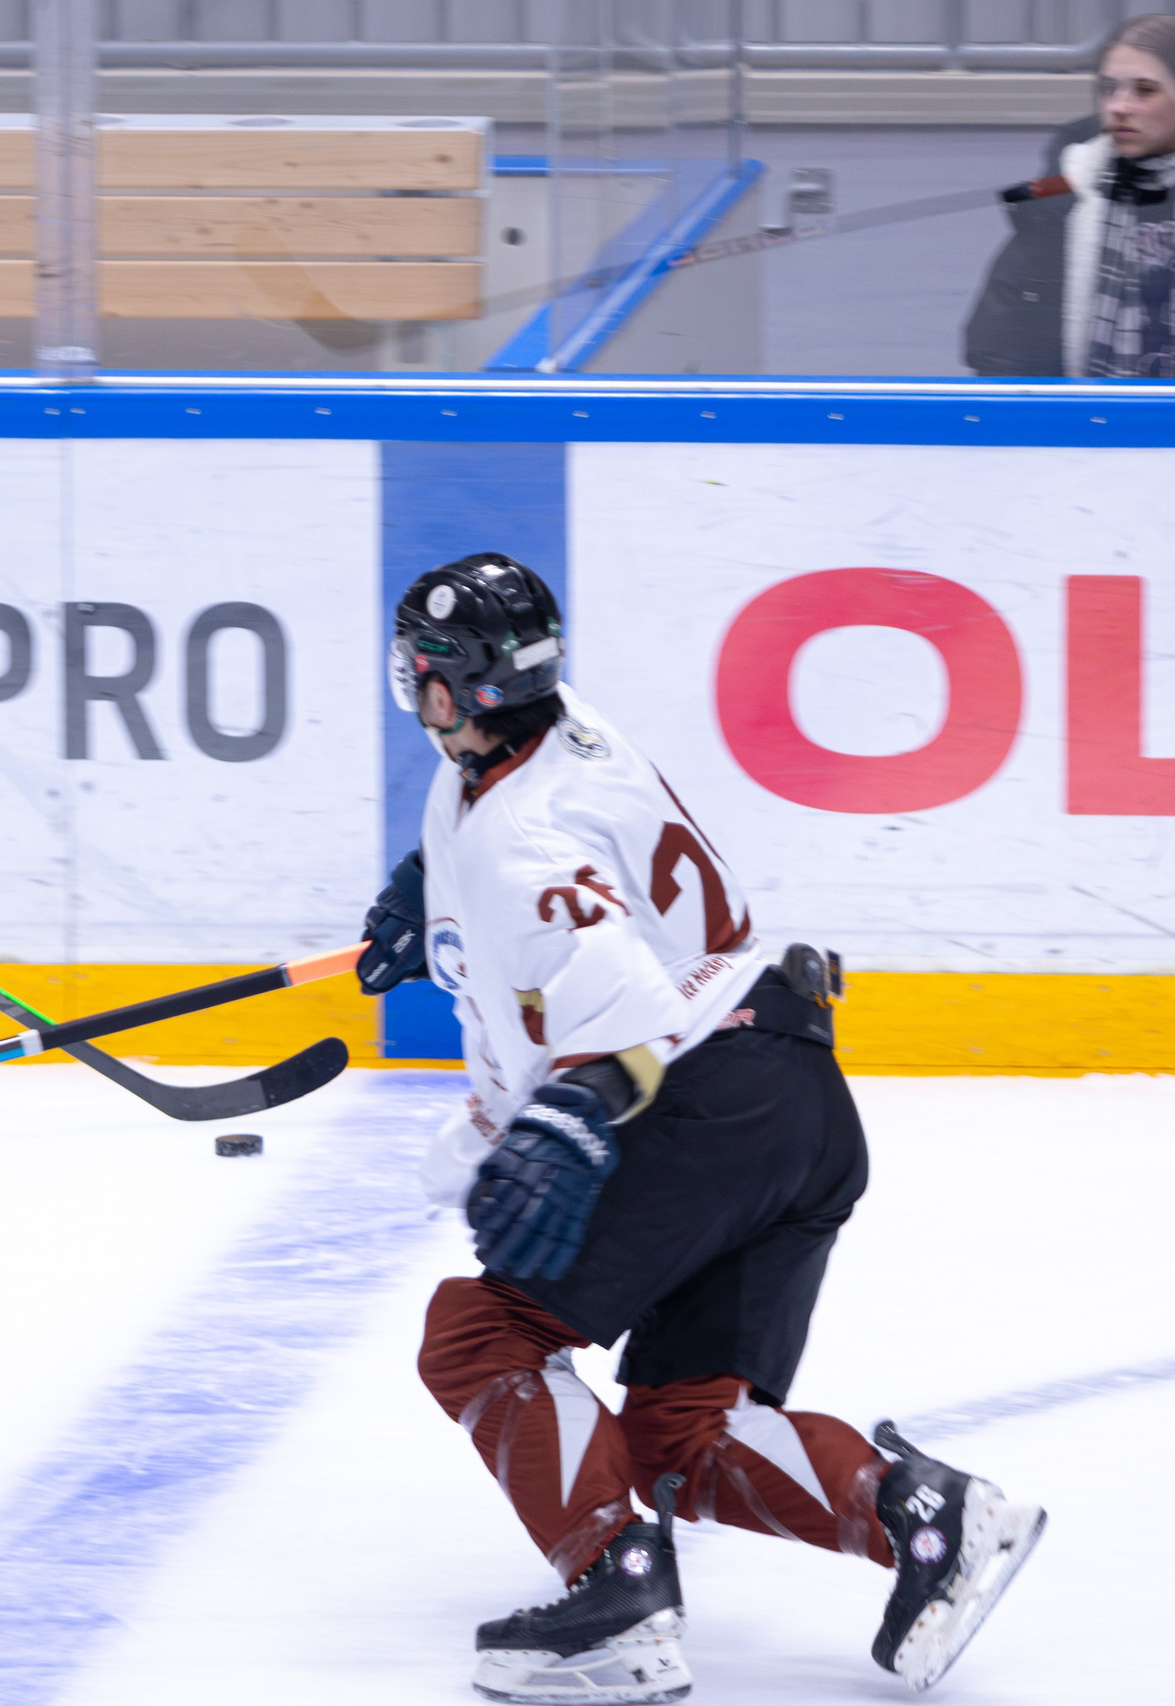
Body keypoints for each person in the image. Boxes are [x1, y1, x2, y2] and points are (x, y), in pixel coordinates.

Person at [352, 555, 1044, 1701]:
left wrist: (573, 1115)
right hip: (800, 1098)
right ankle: (930, 1520)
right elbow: (543, 852)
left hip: (698, 1092)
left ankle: (615, 1587)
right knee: (681, 1430)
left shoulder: (520, 849)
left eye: (422, 667)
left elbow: (622, 1000)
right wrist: (426, 894)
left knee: (479, 1332)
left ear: (451, 685)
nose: (412, 684)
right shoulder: (558, 730)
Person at [966, 13, 1175, 376]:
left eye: (1145, 90)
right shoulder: (1062, 194)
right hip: (1092, 424)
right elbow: (1003, 345)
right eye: (1109, 88)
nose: (1119, 106)